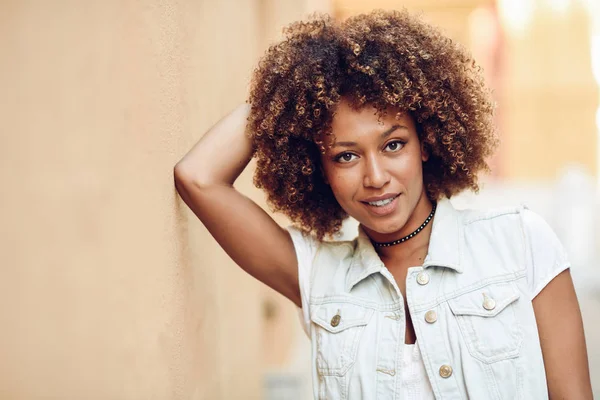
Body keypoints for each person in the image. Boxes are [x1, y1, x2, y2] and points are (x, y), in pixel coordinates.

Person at [173, 9, 593, 399]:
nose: (375, 178)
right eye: (346, 155)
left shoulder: (520, 243)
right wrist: (286, 94)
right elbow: (198, 178)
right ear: (319, 168)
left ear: (426, 143)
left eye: (393, 145)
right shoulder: (318, 275)